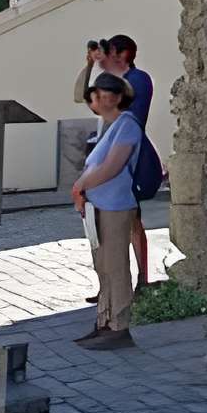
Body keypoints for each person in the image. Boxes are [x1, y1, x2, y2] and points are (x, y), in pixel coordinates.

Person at [74, 36, 164, 292]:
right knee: (104, 224)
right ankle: (109, 286)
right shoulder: (111, 85)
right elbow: (80, 96)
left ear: (122, 54)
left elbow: (128, 114)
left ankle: (141, 280)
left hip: (128, 161)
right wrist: (90, 64)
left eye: (108, 52)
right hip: (107, 155)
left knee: (132, 220)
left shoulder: (138, 80)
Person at [69, 71, 143, 349]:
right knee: (103, 267)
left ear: (118, 96)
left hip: (115, 206)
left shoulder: (127, 125)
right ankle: (104, 321)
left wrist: (79, 186)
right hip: (98, 205)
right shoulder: (108, 126)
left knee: (116, 265)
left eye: (104, 92)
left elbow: (111, 167)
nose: (97, 98)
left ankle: (119, 326)